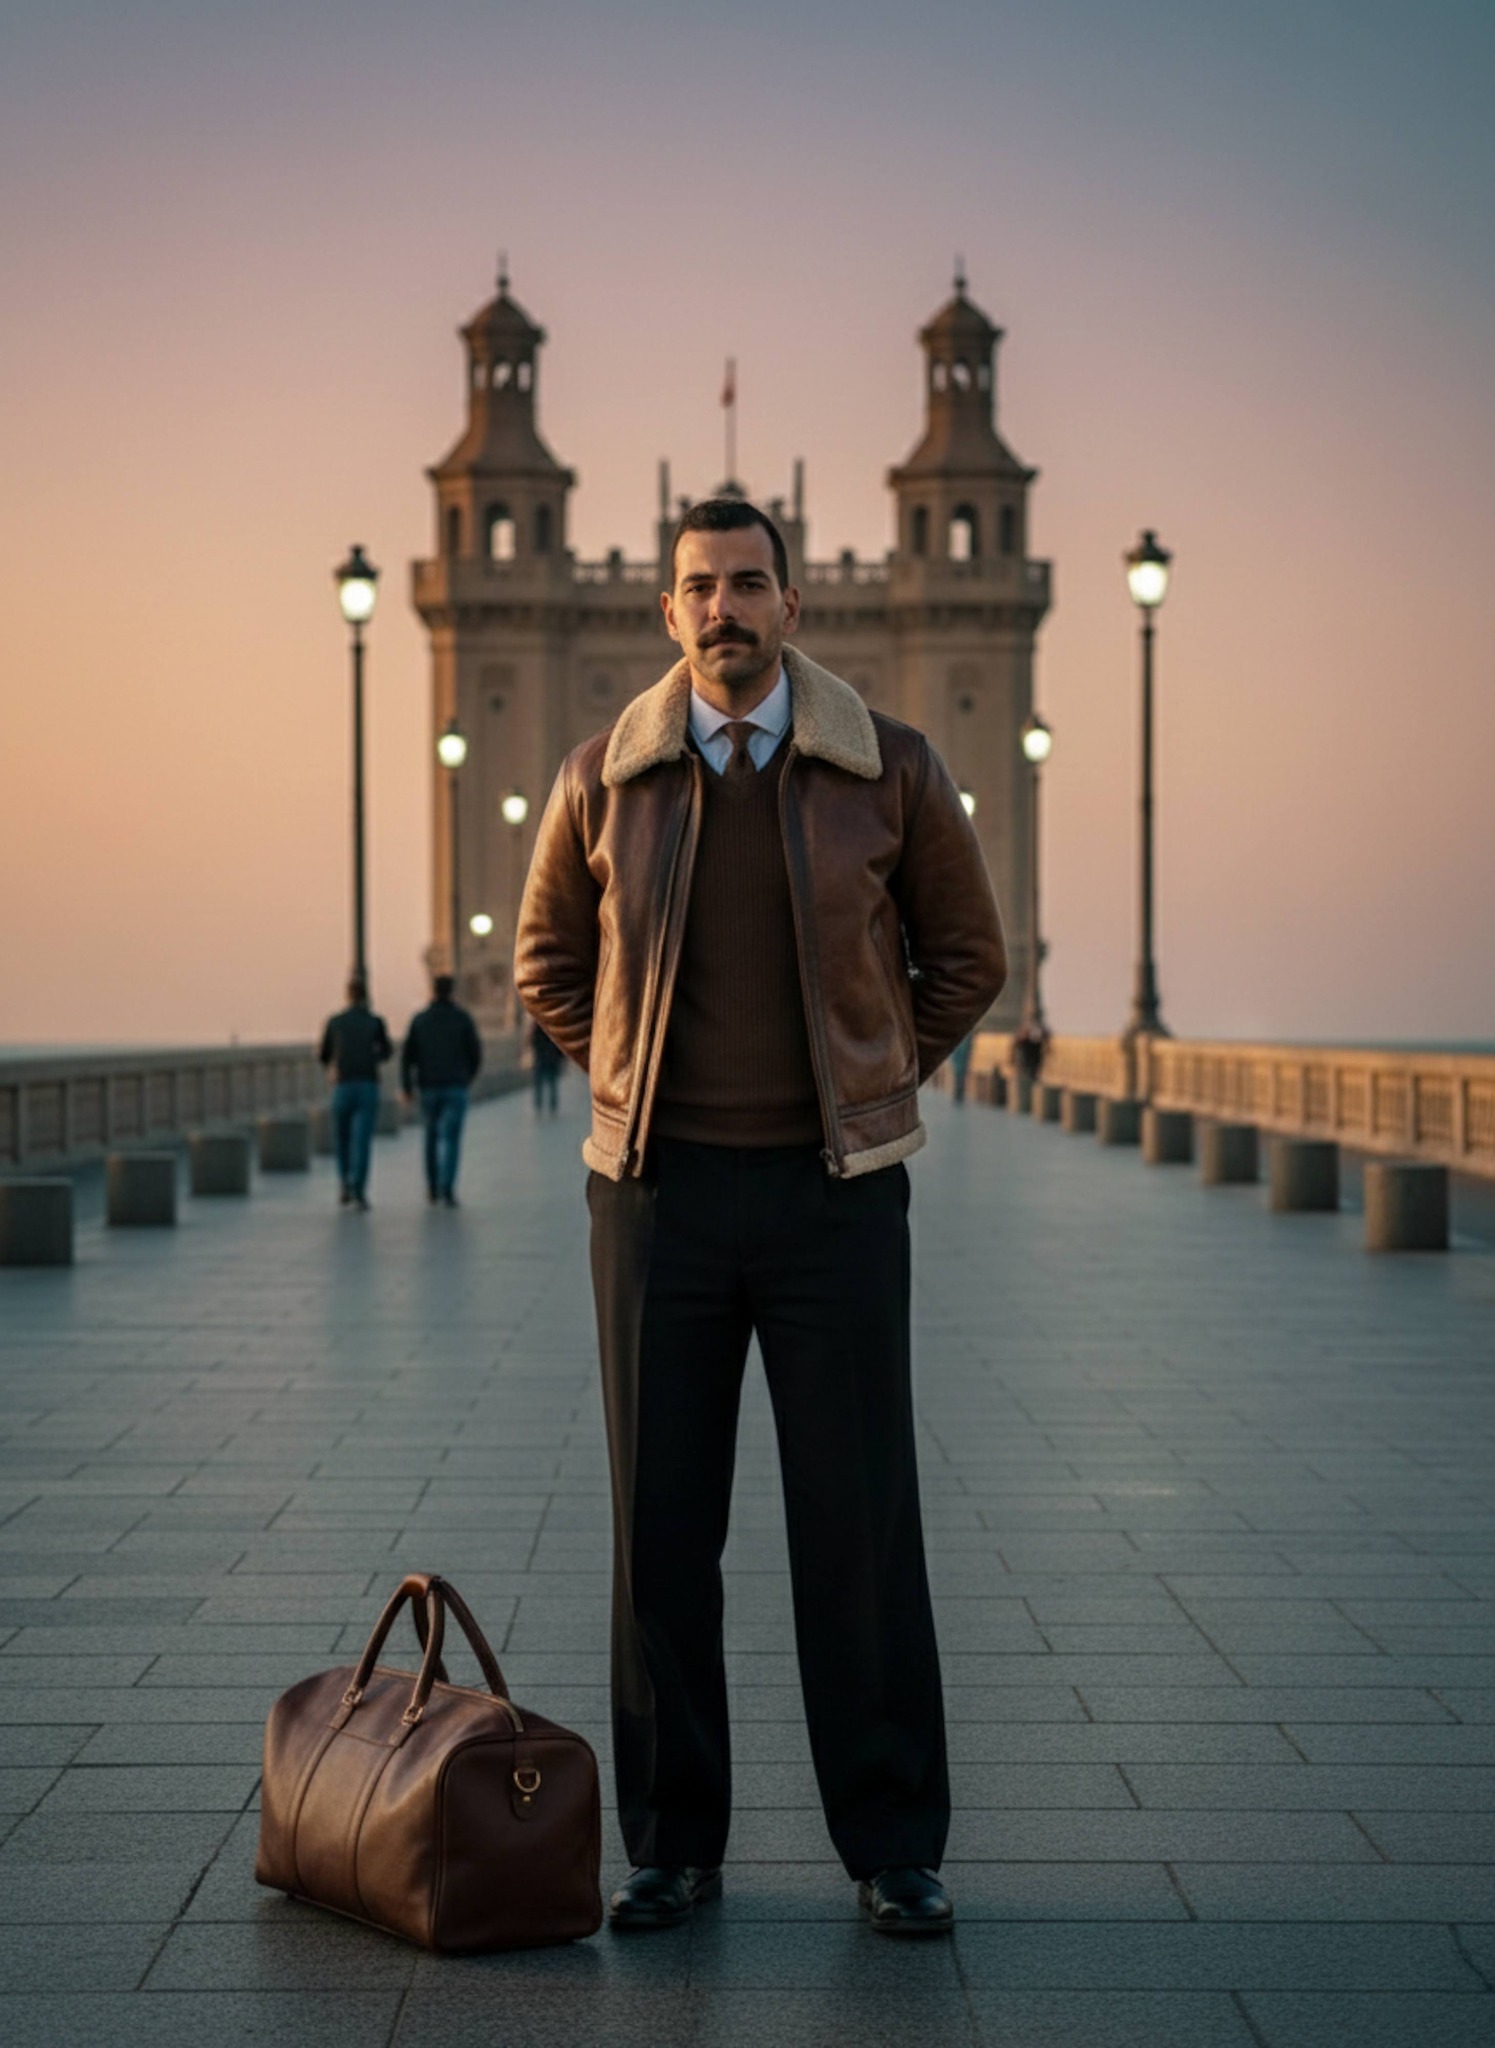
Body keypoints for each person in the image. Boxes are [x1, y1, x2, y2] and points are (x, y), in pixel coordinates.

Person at [516, 498, 1006, 1938]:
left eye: (746, 583)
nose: (721, 607)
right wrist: (631, 1087)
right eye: (698, 586)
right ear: (666, 612)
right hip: (653, 1201)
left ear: (792, 605)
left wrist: (867, 1079)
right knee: (657, 1531)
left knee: (858, 1524)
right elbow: (546, 962)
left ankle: (892, 1842)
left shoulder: (888, 766)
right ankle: (670, 1843)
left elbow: (966, 956)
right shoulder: (600, 776)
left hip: (832, 1200)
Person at [400, 974, 483, 1206]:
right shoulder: (462, 1019)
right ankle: (447, 1188)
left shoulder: (420, 1020)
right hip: (456, 1086)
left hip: (428, 1087)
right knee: (452, 1138)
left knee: (431, 1136)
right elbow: (475, 1053)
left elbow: (407, 1057)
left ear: (432, 991)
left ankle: (432, 1187)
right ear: (452, 992)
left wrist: (407, 1087)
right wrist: (467, 1077)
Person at [318, 977, 393, 1210]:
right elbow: (387, 1051)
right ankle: (359, 1189)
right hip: (367, 1084)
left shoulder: (335, 1022)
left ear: (347, 995)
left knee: (342, 1138)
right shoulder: (375, 1021)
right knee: (362, 1140)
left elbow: (323, 1055)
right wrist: (372, 1058)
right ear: (365, 996)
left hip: (342, 1085)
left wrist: (335, 1065)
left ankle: (344, 1183)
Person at [530, 1018, 563, 1115]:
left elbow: (533, 1041)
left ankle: (539, 1104)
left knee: (541, 1083)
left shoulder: (538, 1027)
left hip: (542, 1059)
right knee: (552, 1083)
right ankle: (551, 1105)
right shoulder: (554, 1029)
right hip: (551, 1059)